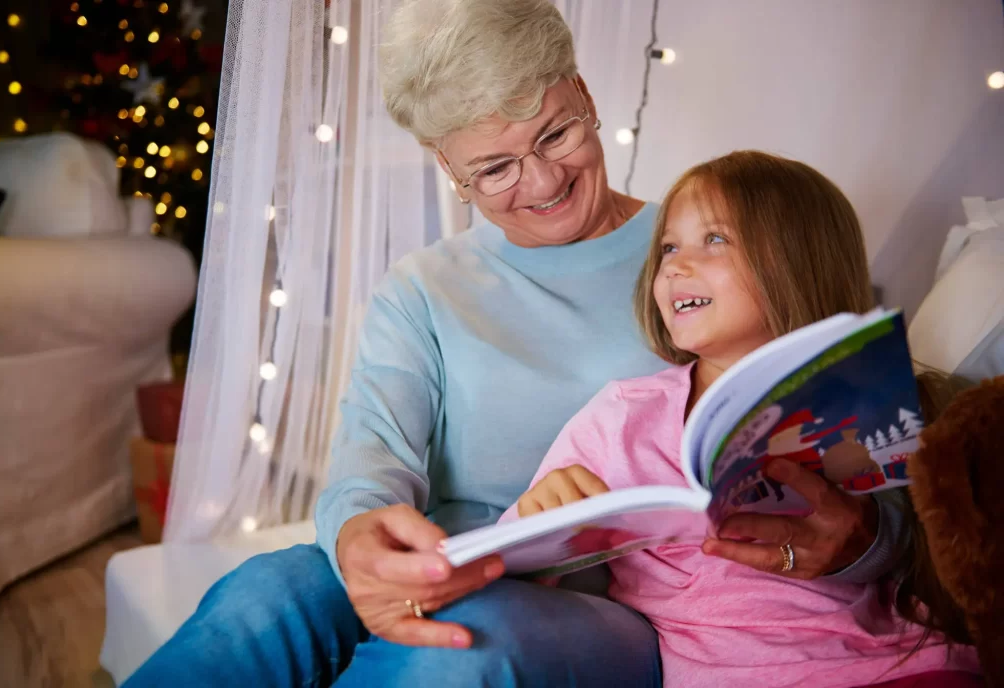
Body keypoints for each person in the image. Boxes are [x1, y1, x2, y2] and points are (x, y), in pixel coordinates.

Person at [124, 2, 908, 686]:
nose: (539, 181)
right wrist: (365, 533)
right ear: (449, 168)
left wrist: (861, 542)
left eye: (556, 132)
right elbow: (372, 456)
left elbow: (868, 459)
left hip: (621, 605)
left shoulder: (712, 253)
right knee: (265, 596)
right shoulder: (423, 287)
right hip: (460, 556)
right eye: (493, 167)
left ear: (586, 96)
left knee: (464, 647)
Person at [505, 151, 983, 687]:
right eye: (668, 246)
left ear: (800, 262)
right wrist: (538, 524)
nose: (675, 266)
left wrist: (871, 537)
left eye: (715, 240)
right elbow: (506, 563)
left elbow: (946, 557)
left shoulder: (885, 400)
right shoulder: (620, 418)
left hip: (900, 665)